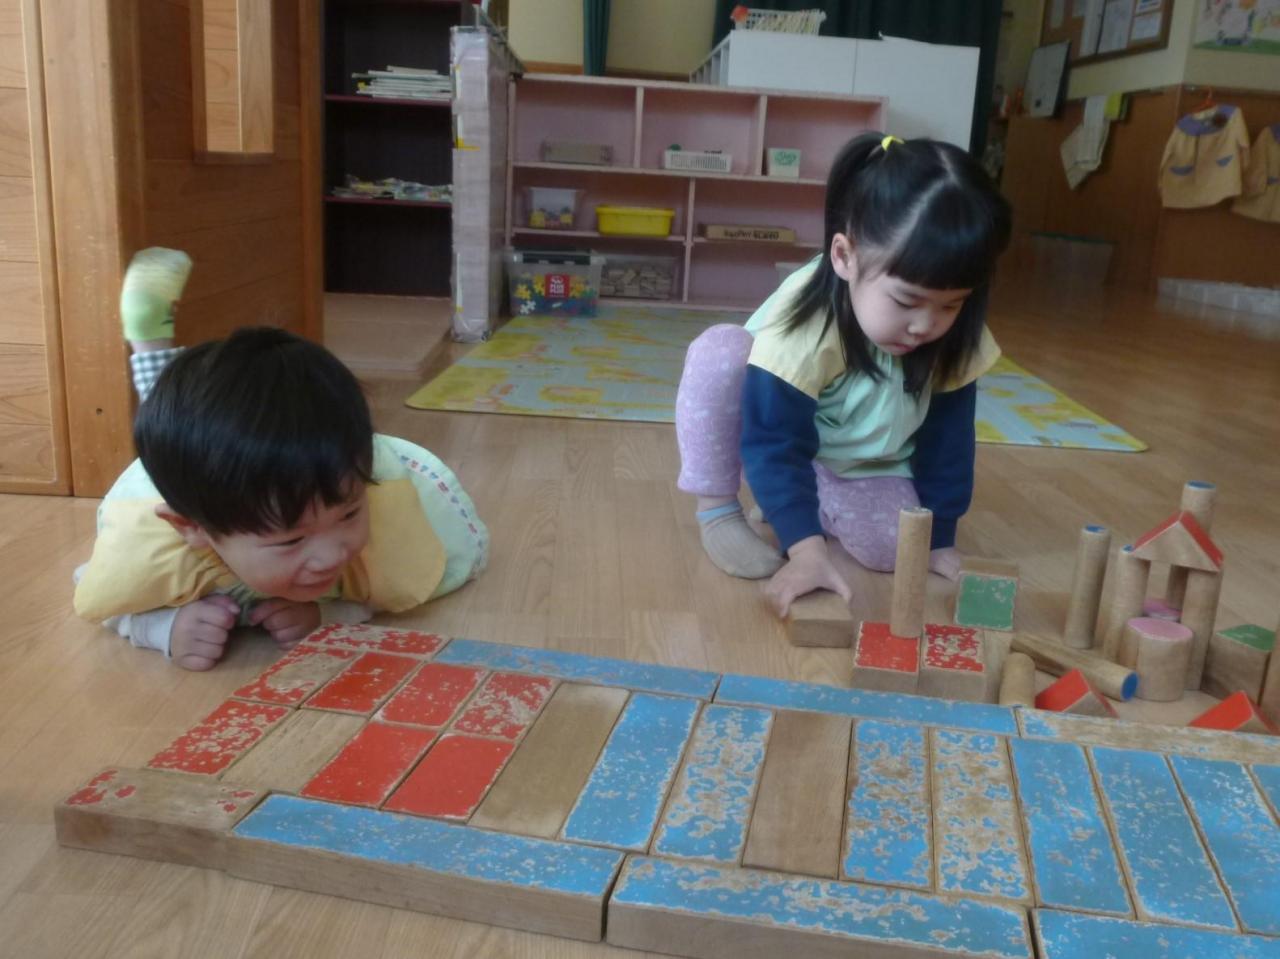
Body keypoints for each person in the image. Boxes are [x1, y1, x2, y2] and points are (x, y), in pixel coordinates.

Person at [73, 248, 488, 670]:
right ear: (192, 528)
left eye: (349, 514)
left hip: (293, 468)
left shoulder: (355, 486)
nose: (332, 555)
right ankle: (149, 344)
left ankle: (153, 346)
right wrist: (160, 627)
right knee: (167, 424)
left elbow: (377, 593)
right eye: (291, 540)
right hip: (181, 488)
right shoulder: (152, 543)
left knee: (195, 423)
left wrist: (328, 614)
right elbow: (101, 594)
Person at [675, 133, 1011, 617]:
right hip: (767, 434)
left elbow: (950, 441)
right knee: (720, 353)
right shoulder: (803, 327)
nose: (925, 325)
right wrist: (805, 551)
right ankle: (719, 510)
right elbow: (774, 439)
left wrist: (939, 537)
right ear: (844, 257)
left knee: (898, 548)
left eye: (951, 304)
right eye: (907, 301)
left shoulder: (955, 334)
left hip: (859, 456)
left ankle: (802, 500)